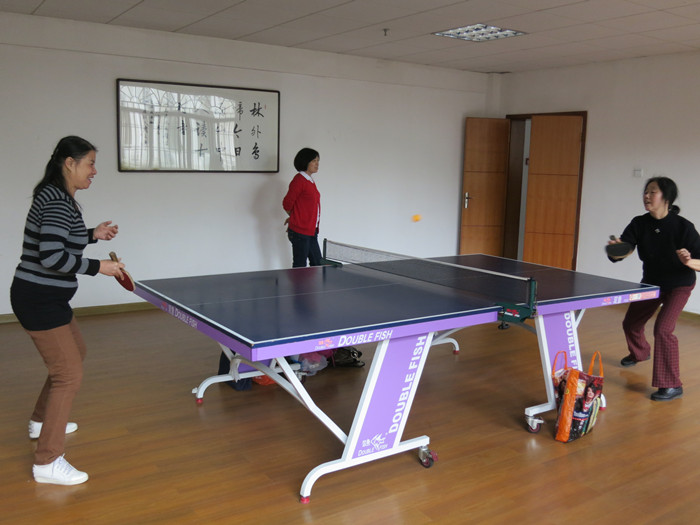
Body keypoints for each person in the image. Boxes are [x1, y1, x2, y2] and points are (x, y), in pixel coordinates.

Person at [10, 136, 125, 485]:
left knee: (76, 353)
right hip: (39, 299)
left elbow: (58, 239)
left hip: (45, 297)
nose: (94, 171)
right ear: (69, 163)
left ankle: (40, 421)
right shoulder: (58, 200)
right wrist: (99, 267)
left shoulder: (56, 196)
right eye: (90, 163)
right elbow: (52, 256)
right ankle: (47, 461)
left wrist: (92, 234)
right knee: (68, 374)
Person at [608, 176, 700, 401]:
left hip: (679, 284)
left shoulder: (683, 227)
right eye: (646, 192)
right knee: (631, 323)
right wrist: (618, 250)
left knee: (663, 330)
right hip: (652, 283)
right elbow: (625, 248)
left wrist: (689, 261)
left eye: (652, 192)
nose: (646, 196)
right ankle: (640, 353)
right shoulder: (639, 223)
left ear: (666, 197)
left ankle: (672, 385)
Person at [283, 148, 322, 268]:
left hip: (311, 230)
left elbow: (305, 206)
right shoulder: (299, 180)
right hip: (300, 232)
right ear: (305, 161)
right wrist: (295, 218)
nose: (317, 164)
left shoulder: (309, 181)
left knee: (318, 263)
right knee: (300, 267)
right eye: (314, 161)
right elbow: (287, 203)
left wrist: (295, 216)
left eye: (318, 161)